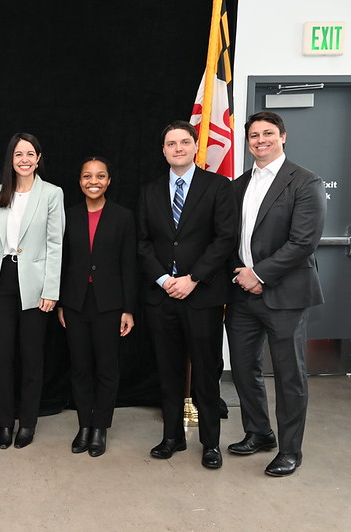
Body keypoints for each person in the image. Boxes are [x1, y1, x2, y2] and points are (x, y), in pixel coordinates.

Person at [226, 111, 326, 477]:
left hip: (286, 295)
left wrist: (260, 275)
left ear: (283, 137)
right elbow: (231, 238)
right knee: (243, 367)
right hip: (242, 295)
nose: (260, 140)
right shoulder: (239, 185)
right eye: (254, 135)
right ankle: (258, 433)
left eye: (268, 133)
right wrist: (241, 274)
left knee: (289, 375)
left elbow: (303, 242)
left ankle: (290, 450)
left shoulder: (305, 181)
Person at [136, 120, 237, 469]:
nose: (177, 148)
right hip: (162, 296)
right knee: (168, 370)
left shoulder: (218, 186)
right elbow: (143, 242)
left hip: (202, 295)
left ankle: (210, 443)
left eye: (184, 142)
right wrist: (165, 279)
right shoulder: (149, 191)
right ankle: (172, 437)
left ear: (196, 146)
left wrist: (193, 278)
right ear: (163, 150)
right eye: (170, 143)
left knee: (207, 372)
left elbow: (224, 239)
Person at [0, 133, 64, 449]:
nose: (25, 159)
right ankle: (5, 423)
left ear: (39, 158)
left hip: (35, 284)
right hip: (2, 280)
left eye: (30, 153)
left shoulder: (51, 194)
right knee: (2, 357)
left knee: (31, 357)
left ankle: (27, 423)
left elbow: (56, 244)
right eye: (19, 154)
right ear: (11, 159)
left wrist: (51, 289)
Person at [57, 156, 136, 457]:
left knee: (106, 367)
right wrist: (63, 302)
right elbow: (62, 264)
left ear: (108, 181)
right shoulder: (68, 216)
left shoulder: (123, 217)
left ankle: (100, 426)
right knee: (80, 367)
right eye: (87, 176)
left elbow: (129, 265)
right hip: (76, 303)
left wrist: (128, 308)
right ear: (79, 181)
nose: (93, 181)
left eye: (100, 176)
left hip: (110, 304)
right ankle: (84, 425)